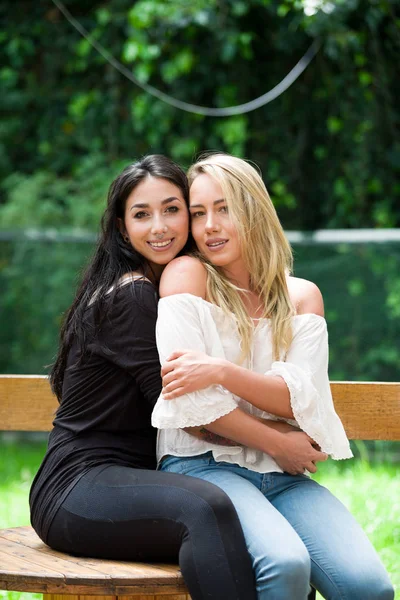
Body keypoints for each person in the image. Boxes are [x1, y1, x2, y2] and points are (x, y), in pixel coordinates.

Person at [152, 153, 395, 600]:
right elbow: (191, 408)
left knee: (370, 587)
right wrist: (278, 440)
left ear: (254, 210)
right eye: (199, 213)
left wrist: (221, 371)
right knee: (286, 565)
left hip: (282, 477)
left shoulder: (301, 297)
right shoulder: (186, 277)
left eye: (224, 208)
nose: (209, 226)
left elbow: (298, 402)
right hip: (202, 467)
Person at [29, 155, 259, 600]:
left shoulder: (178, 289)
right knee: (206, 509)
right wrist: (273, 443)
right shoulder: (131, 295)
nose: (160, 227)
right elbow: (188, 413)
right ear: (121, 227)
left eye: (173, 210)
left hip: (132, 480)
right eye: (141, 214)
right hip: (78, 486)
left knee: (270, 535)